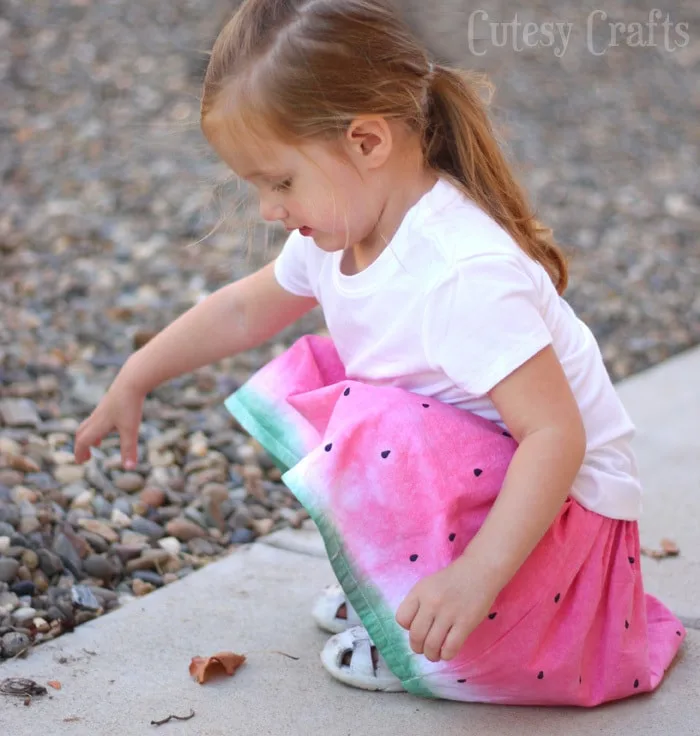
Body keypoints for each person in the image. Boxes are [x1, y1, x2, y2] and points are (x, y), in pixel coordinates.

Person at [74, 0, 683, 704]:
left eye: (280, 181)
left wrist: (474, 578)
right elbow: (244, 307)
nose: (271, 209)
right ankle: (400, 585)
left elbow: (556, 436)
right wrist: (136, 374)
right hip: (506, 489)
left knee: (375, 420)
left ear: (367, 142)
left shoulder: (461, 276)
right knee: (322, 372)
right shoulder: (341, 235)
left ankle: (440, 628)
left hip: (565, 539)